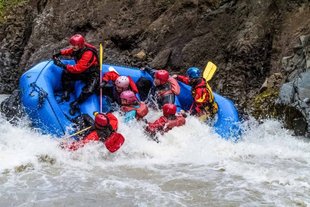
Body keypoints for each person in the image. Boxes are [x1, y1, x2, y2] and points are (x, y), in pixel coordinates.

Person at [52, 34, 99, 115]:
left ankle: (76, 103)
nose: (73, 46)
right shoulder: (78, 48)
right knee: (66, 73)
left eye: (75, 45)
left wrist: (63, 65)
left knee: (89, 90)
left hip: (92, 73)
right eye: (72, 44)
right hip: (84, 72)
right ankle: (66, 92)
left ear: (80, 45)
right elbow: (71, 51)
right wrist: (60, 53)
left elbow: (78, 69)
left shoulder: (88, 53)